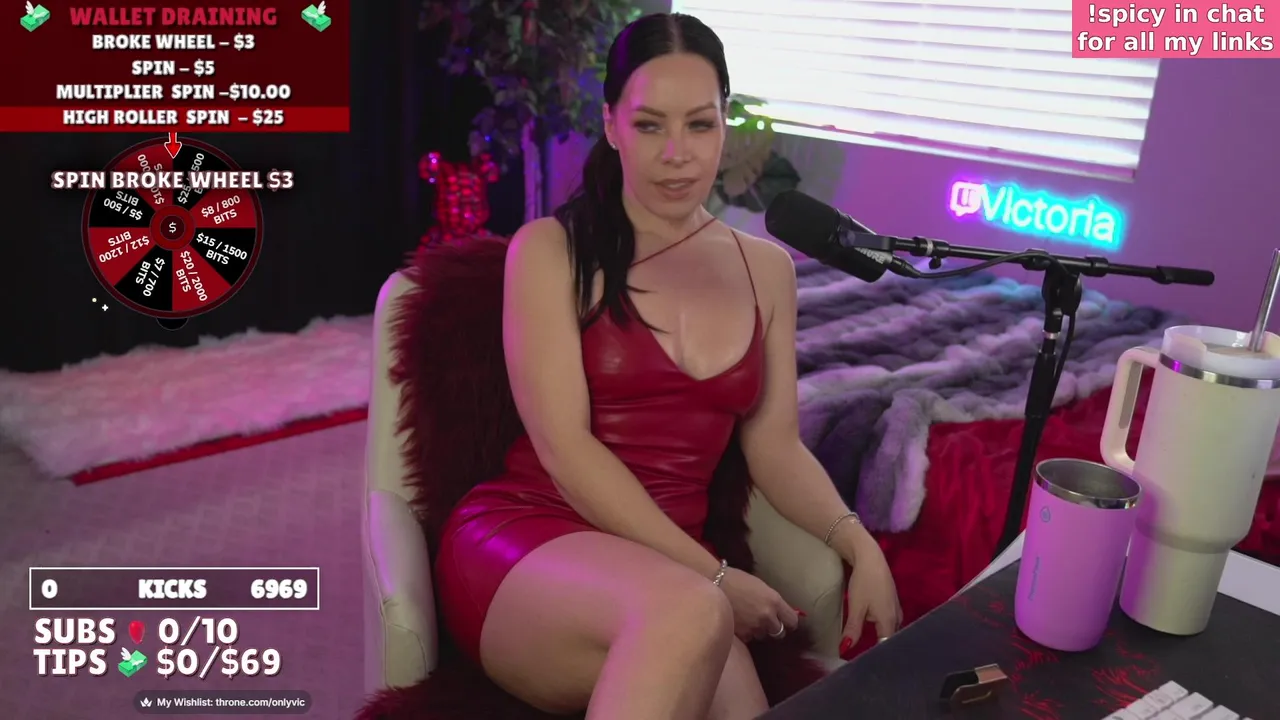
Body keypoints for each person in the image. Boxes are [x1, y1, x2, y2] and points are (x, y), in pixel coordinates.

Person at [433, 12, 901, 720]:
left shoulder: (768, 270)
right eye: (650, 125)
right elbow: (564, 448)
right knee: (691, 611)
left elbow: (775, 447)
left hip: (673, 585)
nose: (677, 154)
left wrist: (859, 543)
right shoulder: (549, 250)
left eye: (699, 125)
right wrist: (713, 575)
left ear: (724, 125)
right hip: (530, 545)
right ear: (611, 124)